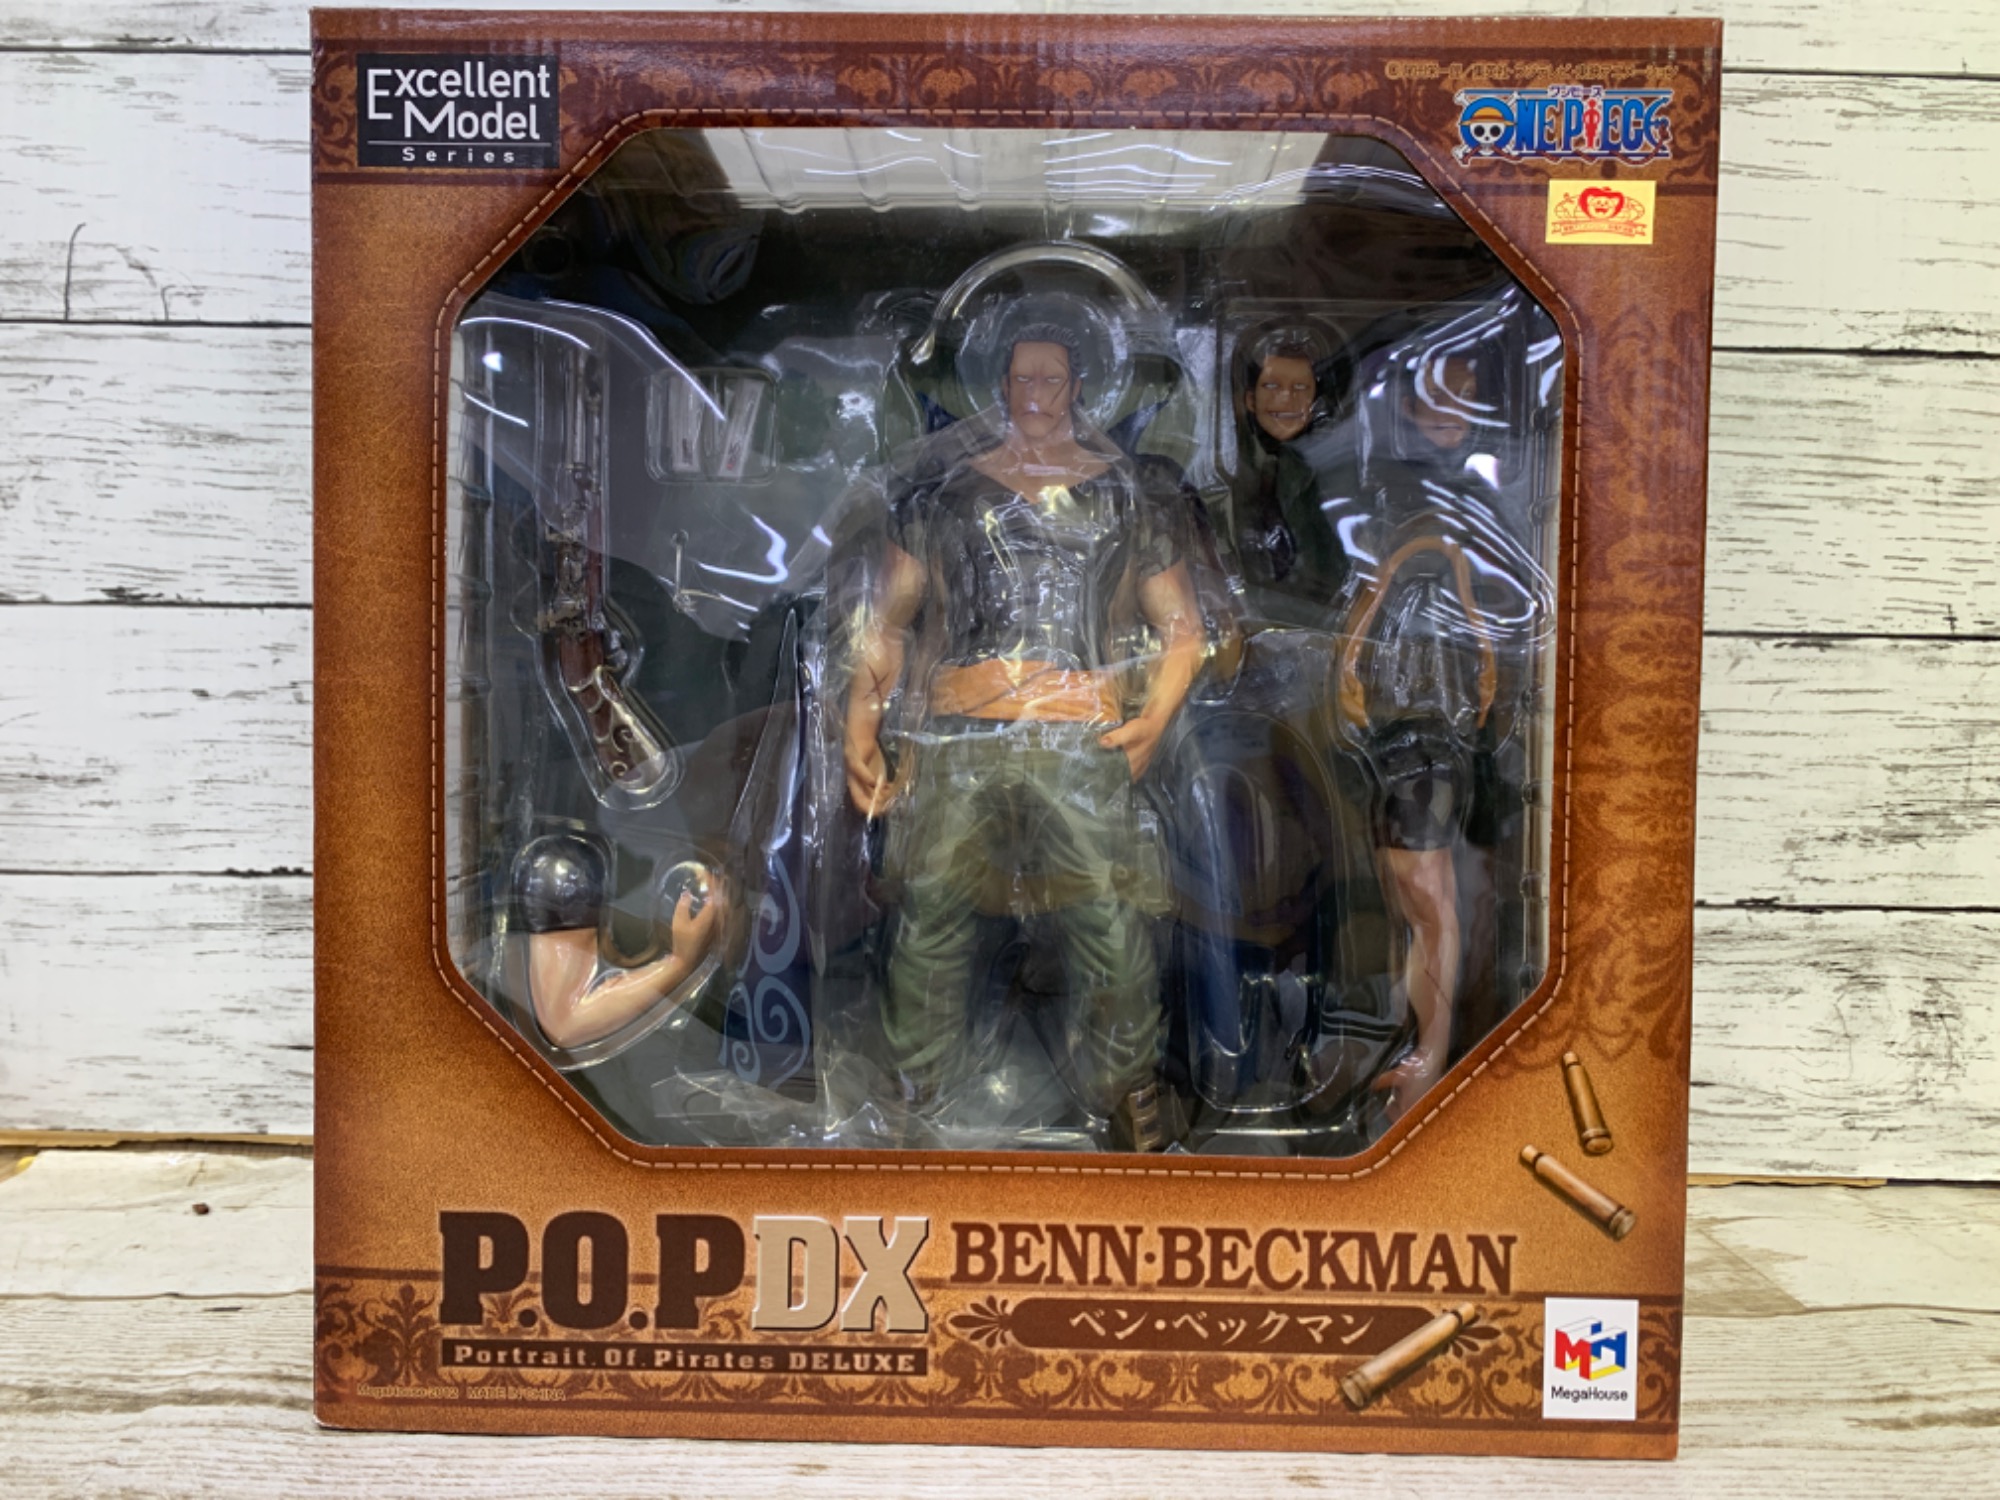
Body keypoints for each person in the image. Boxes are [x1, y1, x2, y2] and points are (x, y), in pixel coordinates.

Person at [841, 321, 1207, 1150]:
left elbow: (1183, 627)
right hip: (959, 734)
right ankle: (914, 1087)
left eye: (1051, 378)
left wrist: (1154, 717)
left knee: (1111, 919)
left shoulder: (1126, 496)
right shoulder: (944, 497)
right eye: (1022, 378)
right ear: (1001, 388)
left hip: (1082, 737)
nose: (1036, 394)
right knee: (929, 914)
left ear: (1077, 388)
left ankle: (1131, 1091)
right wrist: (861, 719)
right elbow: (886, 621)